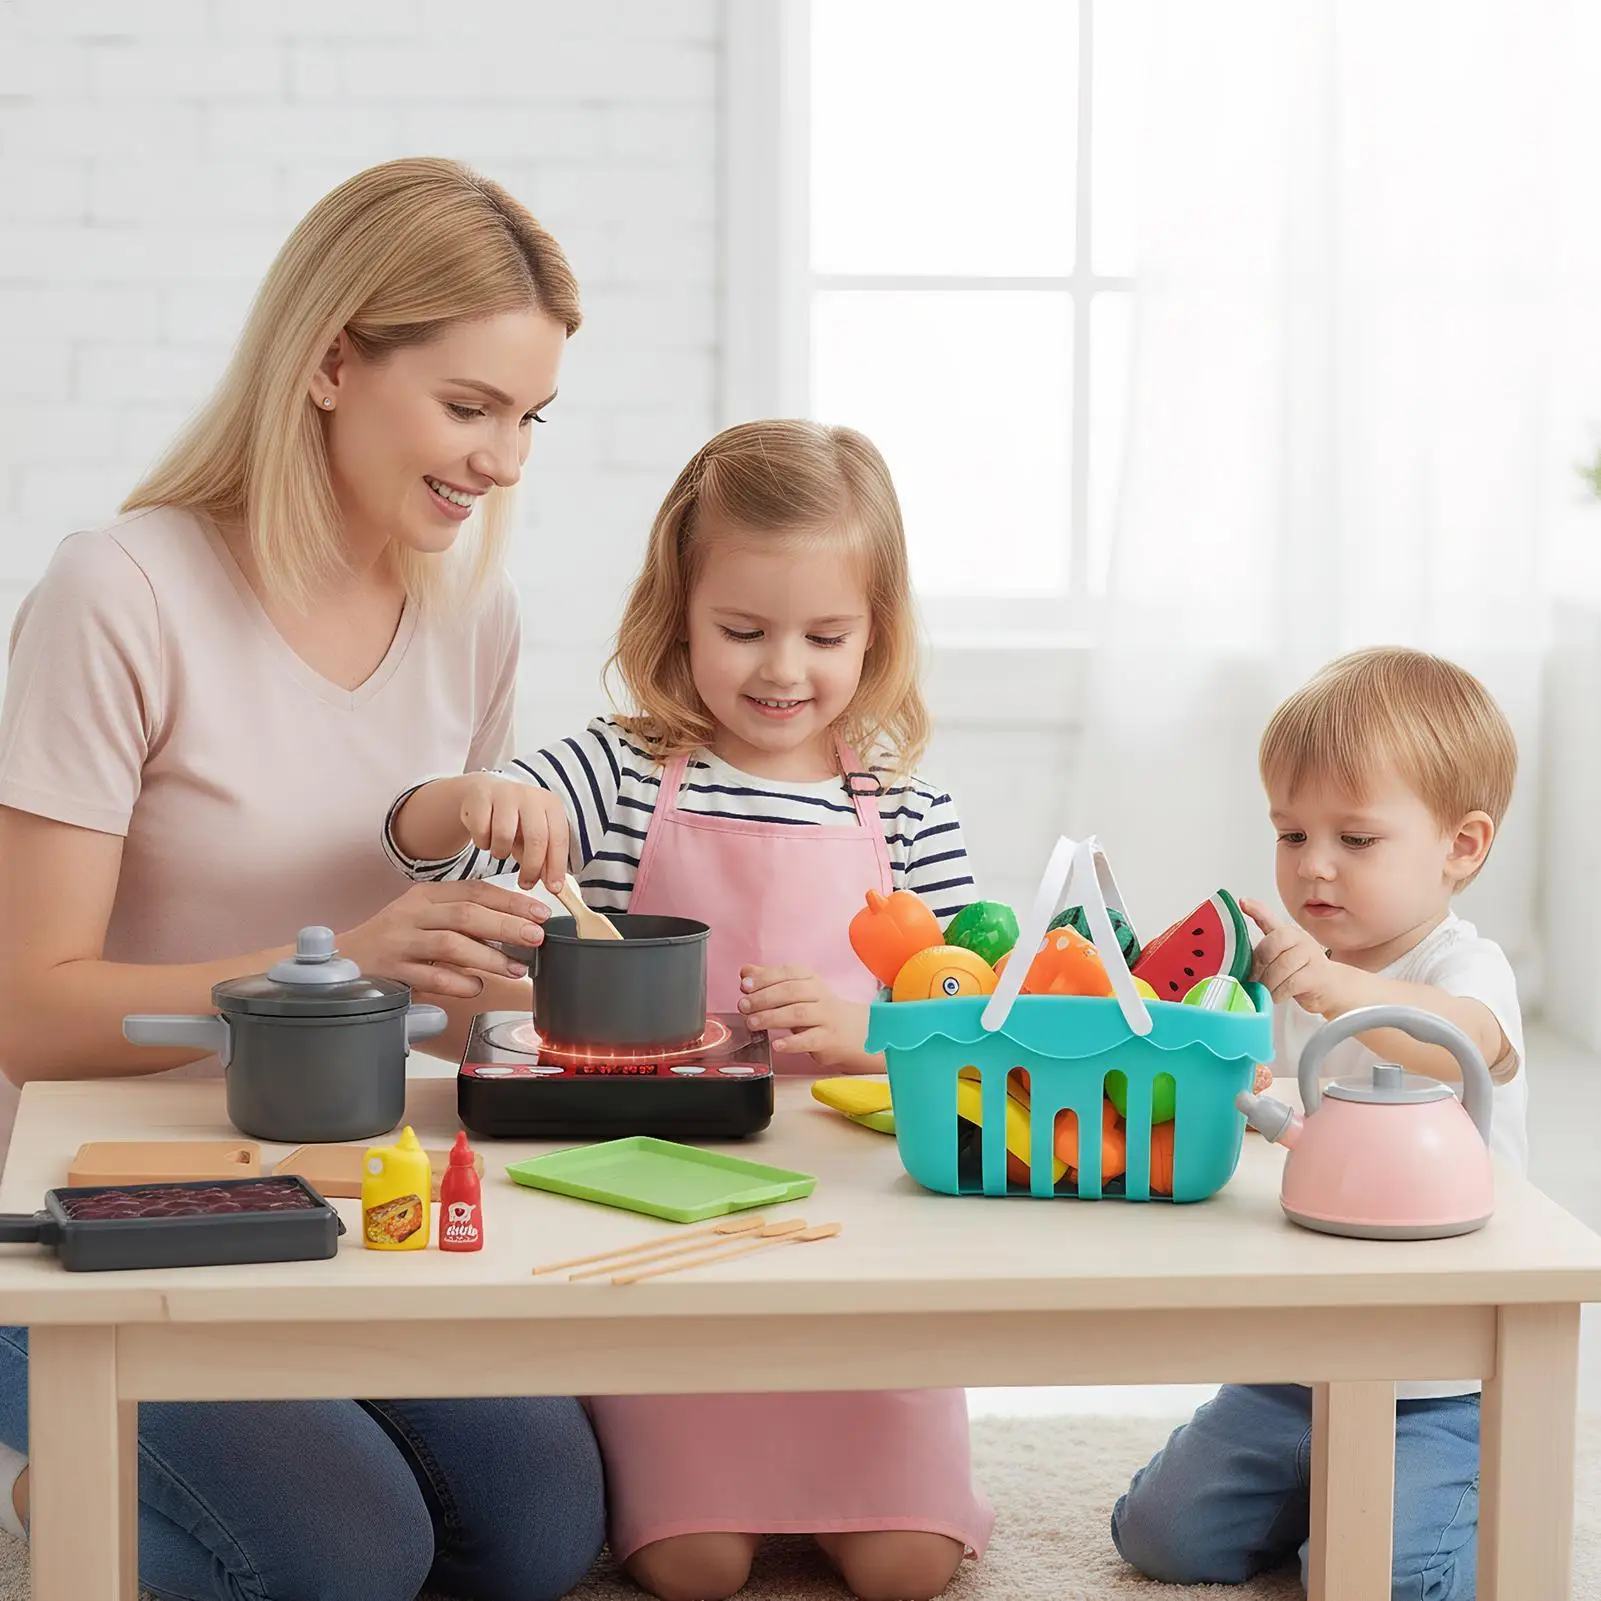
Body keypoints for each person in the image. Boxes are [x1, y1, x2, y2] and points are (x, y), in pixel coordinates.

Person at [0, 158, 605, 1601]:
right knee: (344, 1552)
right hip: (91, 1201)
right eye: (469, 410)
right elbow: (27, 1009)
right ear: (331, 360)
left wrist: (515, 983)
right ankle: (49, 1481)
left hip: (342, 1175)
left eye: (529, 419)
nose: (505, 461)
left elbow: (421, 987)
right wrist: (340, 968)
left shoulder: (471, 611)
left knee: (538, 1532)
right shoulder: (121, 591)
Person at [387, 419, 993, 1601]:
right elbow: (455, 856)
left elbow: (972, 1023)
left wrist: (866, 1025)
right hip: (658, 1224)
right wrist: (472, 803)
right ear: (677, 616)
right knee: (687, 1564)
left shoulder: (911, 812)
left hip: (857, 1235)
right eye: (741, 629)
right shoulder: (618, 770)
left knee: (908, 1564)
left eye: (825, 635)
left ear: (878, 632)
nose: (782, 668)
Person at [1110, 646, 1525, 1601]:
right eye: (1291, 834)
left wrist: (1333, 986)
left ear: (1461, 846)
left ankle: (1433, 1493)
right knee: (1158, 1539)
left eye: (1357, 839)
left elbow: (1474, 1043)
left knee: (1386, 1582)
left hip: (1436, 1378)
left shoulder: (1465, 967)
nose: (1314, 867)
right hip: (1294, 1362)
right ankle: (1319, 1491)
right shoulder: (1287, 968)